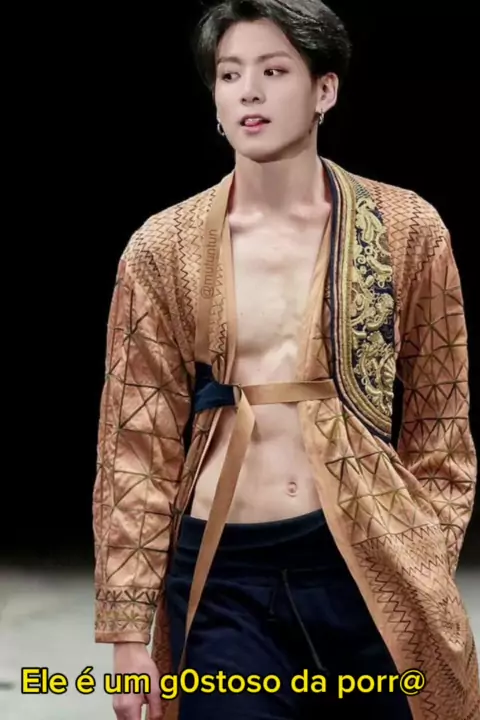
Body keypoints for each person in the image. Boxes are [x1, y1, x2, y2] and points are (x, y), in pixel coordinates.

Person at [92, 1, 479, 719]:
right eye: (230, 74)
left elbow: (442, 419)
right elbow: (135, 443)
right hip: (223, 575)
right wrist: (125, 632)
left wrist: (424, 552)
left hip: (366, 564)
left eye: (274, 71)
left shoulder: (406, 228)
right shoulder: (163, 246)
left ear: (324, 90)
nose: (249, 92)